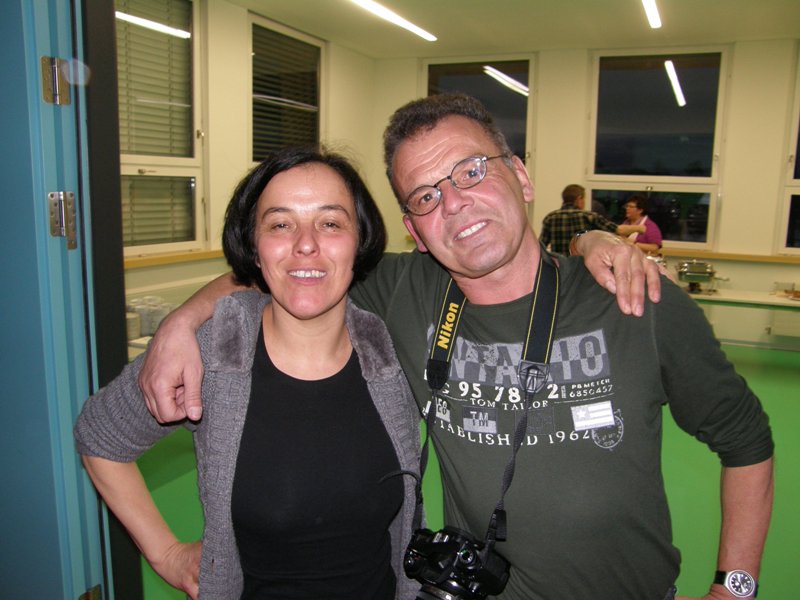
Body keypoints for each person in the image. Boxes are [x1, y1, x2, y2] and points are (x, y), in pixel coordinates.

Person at [139, 93, 773, 600]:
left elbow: (745, 440)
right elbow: (282, 267)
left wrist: (734, 587)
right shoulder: (401, 291)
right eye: (426, 195)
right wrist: (180, 324)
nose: (455, 203)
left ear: (520, 176)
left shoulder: (634, 299)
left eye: (471, 171)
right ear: (414, 230)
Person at [75, 148, 422, 600]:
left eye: (330, 223)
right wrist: (167, 553)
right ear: (254, 248)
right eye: (280, 224)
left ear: (360, 241)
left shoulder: (392, 351)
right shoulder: (216, 353)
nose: (306, 243)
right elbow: (100, 435)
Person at [539, 183, 645, 254]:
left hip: (559, 268)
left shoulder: (550, 218)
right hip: (582, 268)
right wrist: (639, 228)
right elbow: (618, 230)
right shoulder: (589, 217)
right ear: (579, 199)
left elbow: (541, 247)